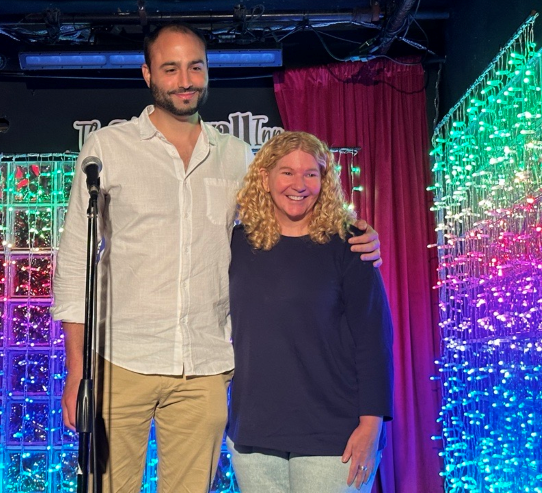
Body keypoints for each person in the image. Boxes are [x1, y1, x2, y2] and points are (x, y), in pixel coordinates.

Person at [52, 24, 382, 493]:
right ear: (148, 74)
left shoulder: (237, 156)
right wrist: (77, 371)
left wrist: (354, 233)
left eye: (195, 66)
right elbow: (73, 264)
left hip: (204, 369)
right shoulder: (109, 148)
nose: (185, 79)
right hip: (120, 361)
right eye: (170, 68)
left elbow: (290, 220)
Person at [226, 131, 394, 492]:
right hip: (254, 434)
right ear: (265, 178)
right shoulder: (235, 244)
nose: (299, 184)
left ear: (325, 181)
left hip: (335, 435)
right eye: (287, 172)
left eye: (311, 174)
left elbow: (374, 341)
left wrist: (371, 426)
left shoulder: (350, 244)